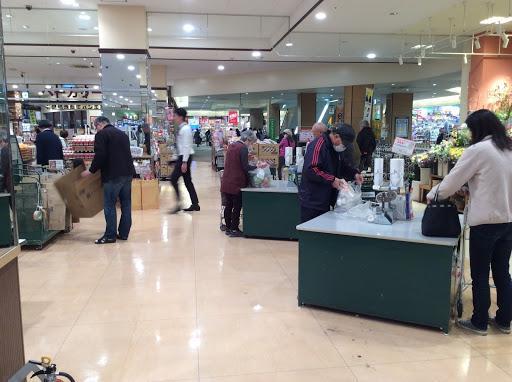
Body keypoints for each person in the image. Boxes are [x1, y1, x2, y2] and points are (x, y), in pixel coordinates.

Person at [427, 109, 512, 335]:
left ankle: (480, 321)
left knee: (480, 273)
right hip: (508, 220)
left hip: (485, 222)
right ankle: (504, 320)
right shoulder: (508, 147)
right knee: (502, 272)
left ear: (478, 129)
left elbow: (453, 180)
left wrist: (434, 194)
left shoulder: (479, 150)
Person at [81, 116, 136, 245]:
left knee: (109, 205)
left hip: (113, 175)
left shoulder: (102, 135)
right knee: (126, 204)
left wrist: (91, 170)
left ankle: (110, 235)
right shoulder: (122, 134)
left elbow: (100, 155)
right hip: (127, 173)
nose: (96, 130)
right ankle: (123, 233)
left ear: (100, 124)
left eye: (96, 127)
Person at [299, 126, 363, 223]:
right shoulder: (318, 145)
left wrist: (354, 174)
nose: (344, 147)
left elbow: (341, 167)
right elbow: (311, 170)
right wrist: (332, 180)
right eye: (344, 143)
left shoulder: (335, 149)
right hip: (312, 200)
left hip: (326, 200)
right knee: (312, 233)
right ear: (336, 136)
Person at [220, 130, 258, 237]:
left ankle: (228, 227)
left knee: (228, 205)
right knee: (237, 206)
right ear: (247, 140)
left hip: (227, 180)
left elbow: (234, 160)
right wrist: (257, 167)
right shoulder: (243, 148)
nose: (251, 145)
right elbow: (245, 167)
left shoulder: (232, 145)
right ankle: (234, 229)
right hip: (237, 182)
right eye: (251, 142)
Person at [170, 108, 200, 213]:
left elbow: (187, 146)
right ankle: (195, 204)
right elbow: (181, 146)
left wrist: (184, 162)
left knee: (173, 179)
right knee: (187, 181)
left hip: (185, 157)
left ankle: (179, 204)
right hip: (183, 157)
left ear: (180, 117)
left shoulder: (186, 129)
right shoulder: (182, 128)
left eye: (175, 116)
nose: (174, 118)